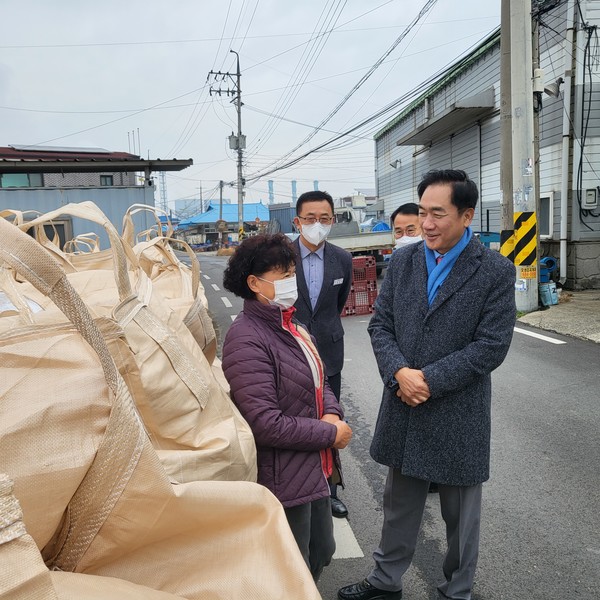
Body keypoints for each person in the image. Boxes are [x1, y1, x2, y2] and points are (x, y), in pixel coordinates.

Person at [338, 170, 516, 600]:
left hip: (457, 410)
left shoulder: (494, 270)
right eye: (423, 212)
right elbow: (380, 326)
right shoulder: (403, 260)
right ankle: (384, 582)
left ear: (467, 214)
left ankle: (457, 591)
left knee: (461, 515)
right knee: (399, 502)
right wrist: (399, 372)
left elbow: (490, 347)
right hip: (404, 400)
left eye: (439, 213)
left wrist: (429, 381)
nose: (428, 223)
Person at [221, 233, 352, 583]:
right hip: (282, 476)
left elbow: (319, 380)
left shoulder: (292, 324)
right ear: (254, 283)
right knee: (291, 569)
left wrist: (333, 413)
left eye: (293, 273)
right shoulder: (247, 337)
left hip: (313, 465)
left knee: (321, 551)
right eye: (284, 275)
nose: (293, 282)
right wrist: (329, 433)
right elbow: (264, 422)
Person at [292, 190, 353, 519]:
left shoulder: (341, 259)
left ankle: (329, 491)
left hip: (328, 352)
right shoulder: (281, 256)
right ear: (297, 221)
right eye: (311, 218)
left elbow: (337, 303)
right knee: (293, 423)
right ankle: (296, 488)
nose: (318, 224)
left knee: (330, 420)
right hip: (289, 351)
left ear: (333, 220)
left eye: (325, 218)